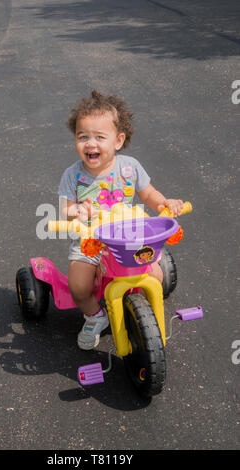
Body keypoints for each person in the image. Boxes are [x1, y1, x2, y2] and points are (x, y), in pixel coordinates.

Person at [58, 89, 183, 350]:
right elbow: (65, 210)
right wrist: (77, 210)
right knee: (79, 286)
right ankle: (95, 315)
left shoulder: (130, 167)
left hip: (128, 237)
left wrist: (164, 203)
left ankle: (143, 309)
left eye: (99, 137)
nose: (91, 144)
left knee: (155, 275)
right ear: (75, 139)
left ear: (118, 140)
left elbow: (148, 193)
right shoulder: (73, 175)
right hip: (90, 240)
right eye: (83, 137)